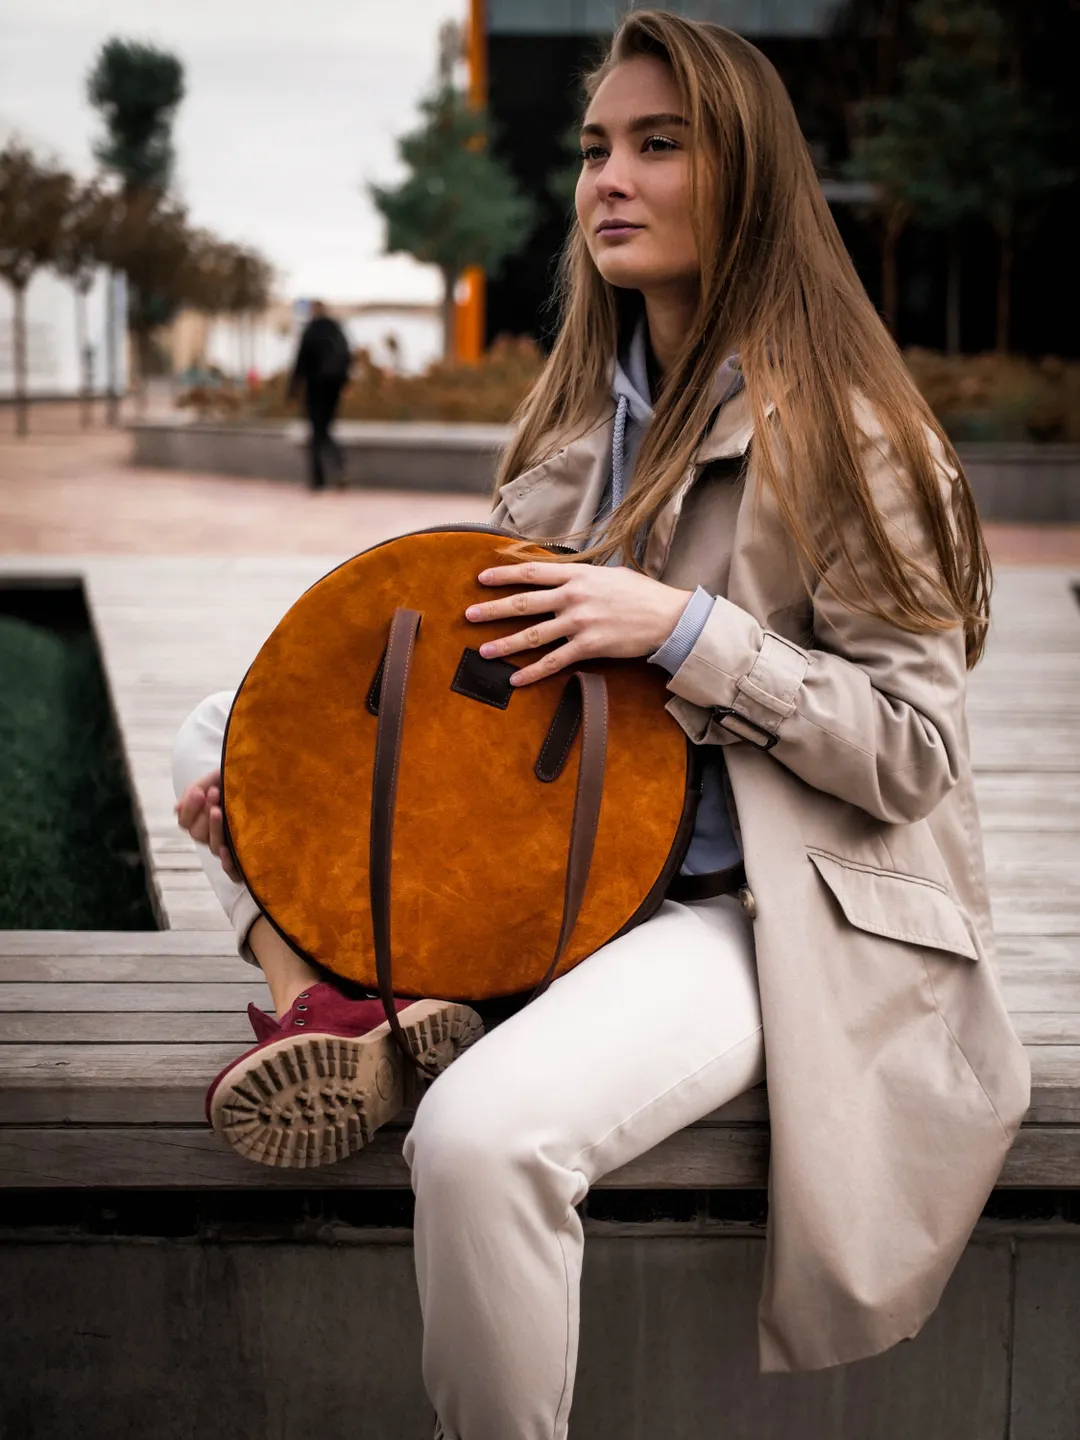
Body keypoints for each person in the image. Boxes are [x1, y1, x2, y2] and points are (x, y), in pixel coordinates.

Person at [172, 12, 1030, 1436]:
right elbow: (491, 688)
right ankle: (338, 997)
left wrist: (685, 632)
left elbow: (914, 753)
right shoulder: (576, 431)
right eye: (594, 149)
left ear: (747, 176)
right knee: (228, 732)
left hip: (752, 908)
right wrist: (290, 801)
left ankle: (397, 1023)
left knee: (480, 1139)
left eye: (658, 145)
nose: (608, 180)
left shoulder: (858, 436)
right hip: (564, 867)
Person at [287, 299, 351, 490]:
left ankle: (318, 478)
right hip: (333, 388)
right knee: (325, 427)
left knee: (316, 430)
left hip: (315, 387)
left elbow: (301, 361)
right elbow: (347, 357)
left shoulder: (311, 330)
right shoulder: (337, 330)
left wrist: (292, 390)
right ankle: (337, 465)